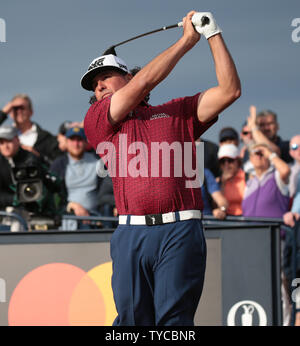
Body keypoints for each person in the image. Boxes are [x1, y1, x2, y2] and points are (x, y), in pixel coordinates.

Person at [82, 11, 241, 326]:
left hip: (180, 229)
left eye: (106, 78)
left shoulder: (176, 112)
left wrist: (213, 34)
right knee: (131, 324)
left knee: (174, 324)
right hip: (131, 231)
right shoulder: (99, 120)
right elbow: (145, 81)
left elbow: (229, 91)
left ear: (127, 77)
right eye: (94, 86)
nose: (99, 88)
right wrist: (185, 41)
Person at [0, 126, 62, 229]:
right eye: (1, 143)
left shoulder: (31, 159)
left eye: (9, 141)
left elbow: (47, 187)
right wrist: (14, 198)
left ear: (17, 140)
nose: (5, 146)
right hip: (7, 214)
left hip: (35, 212)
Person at [50, 126, 103, 228]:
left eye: (79, 140)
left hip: (96, 219)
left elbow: (106, 191)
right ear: (66, 142)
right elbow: (53, 196)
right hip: (67, 219)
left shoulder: (98, 162)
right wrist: (71, 205)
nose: (76, 144)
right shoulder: (58, 165)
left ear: (85, 142)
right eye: (72, 140)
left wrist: (102, 216)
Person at [0, 94, 61, 166]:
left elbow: (58, 165)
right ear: (10, 112)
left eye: (22, 108)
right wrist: (3, 112)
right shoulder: (2, 136)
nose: (19, 111)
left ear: (31, 112)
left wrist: (37, 155)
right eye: (15, 108)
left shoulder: (46, 138)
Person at [242, 143, 290, 218]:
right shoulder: (249, 183)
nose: (259, 156)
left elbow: (286, 171)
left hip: (273, 229)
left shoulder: (276, 177)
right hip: (250, 229)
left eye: (262, 153)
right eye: (256, 153)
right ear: (251, 158)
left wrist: (270, 154)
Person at [217, 144, 246, 216]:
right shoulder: (218, 181)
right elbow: (216, 205)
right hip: (226, 222)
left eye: (230, 160)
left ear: (238, 161)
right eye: (222, 161)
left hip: (246, 220)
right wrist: (223, 183)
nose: (226, 164)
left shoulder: (248, 178)